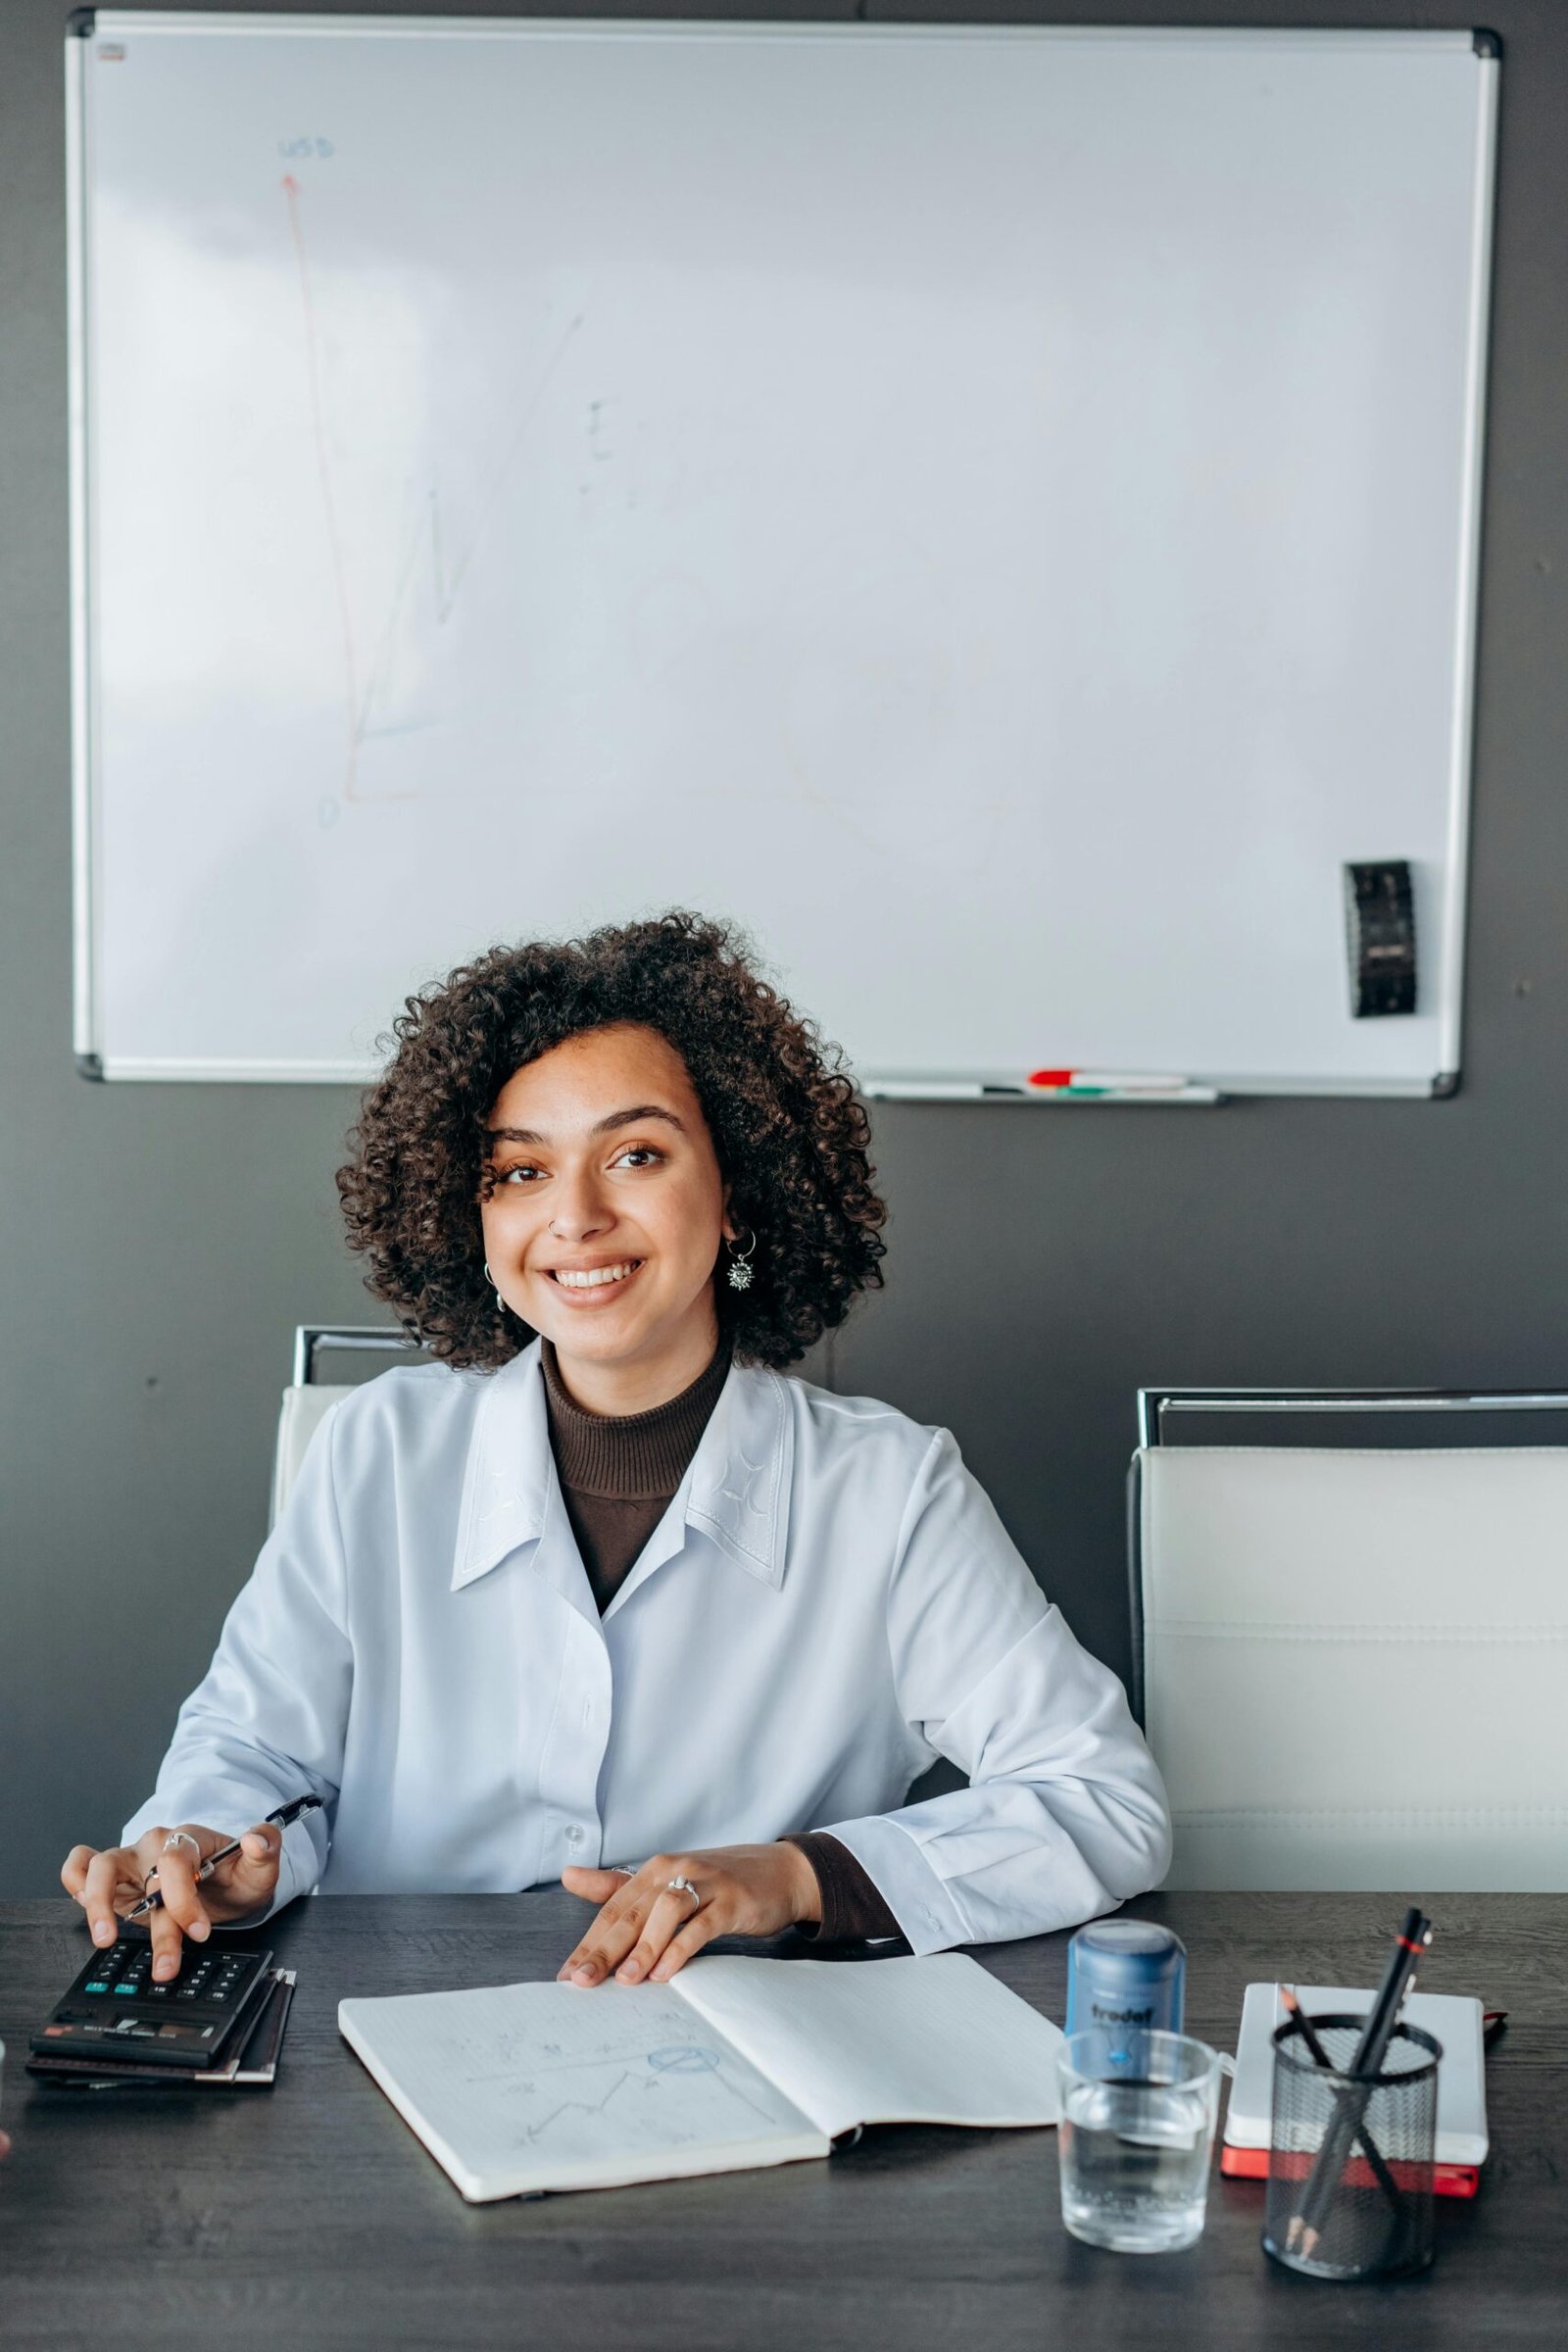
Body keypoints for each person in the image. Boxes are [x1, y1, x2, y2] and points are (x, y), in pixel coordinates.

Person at [63, 912, 1170, 1988]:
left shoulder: (888, 1487)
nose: (576, 1218)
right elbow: (256, 1754)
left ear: (736, 1194)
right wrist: (216, 1855)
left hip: (744, 2057)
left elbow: (1101, 1799)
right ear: (473, 1214)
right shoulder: (378, 1448)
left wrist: (798, 1877)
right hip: (389, 2041)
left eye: (635, 1154)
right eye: (521, 1172)